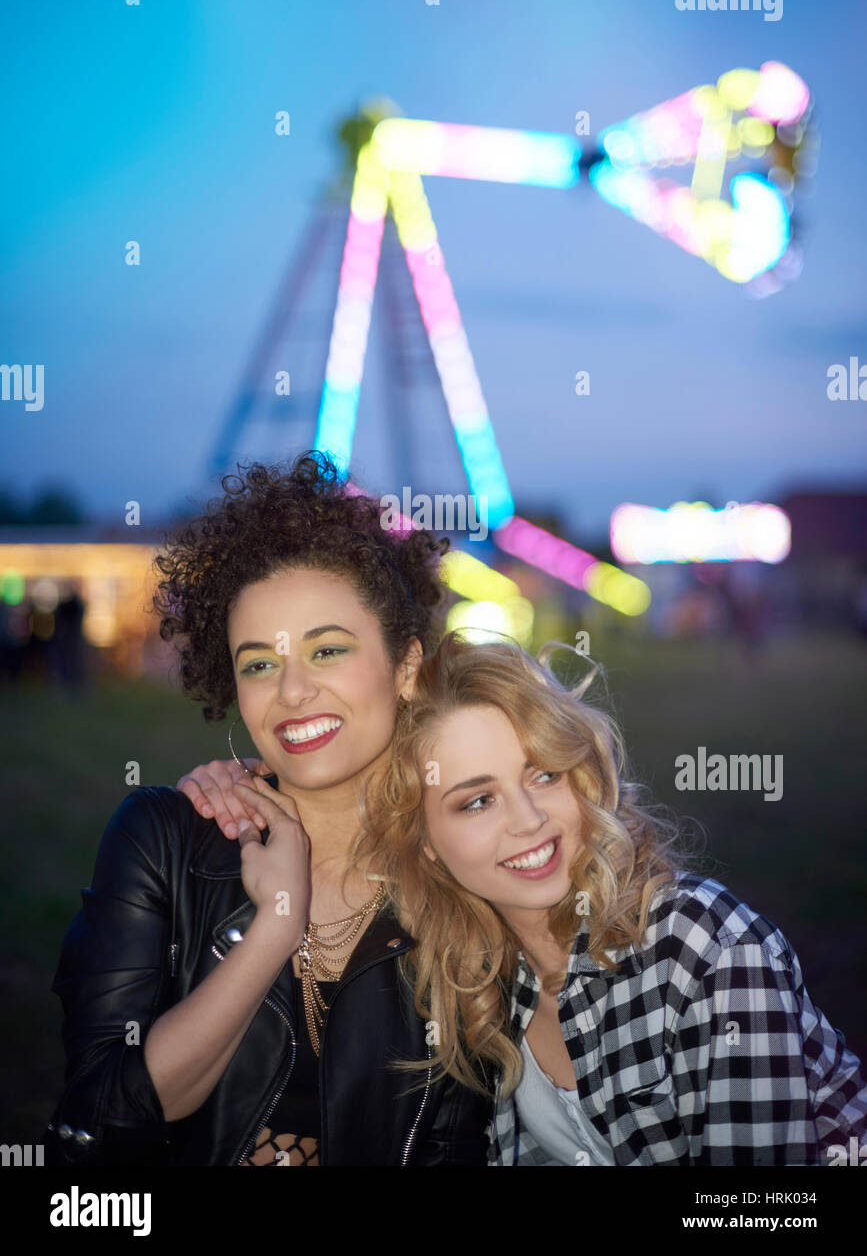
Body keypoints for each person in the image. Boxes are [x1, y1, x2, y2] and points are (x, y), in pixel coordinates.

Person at [44, 453, 491, 1167]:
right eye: (258, 663)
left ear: (405, 667)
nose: (290, 692)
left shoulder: (468, 867)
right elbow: (101, 1118)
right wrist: (275, 926)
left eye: (328, 651)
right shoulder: (164, 840)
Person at [353, 630, 867, 1166]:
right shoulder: (480, 983)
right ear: (425, 842)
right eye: (479, 801)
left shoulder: (705, 946)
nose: (530, 821)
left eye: (544, 775)